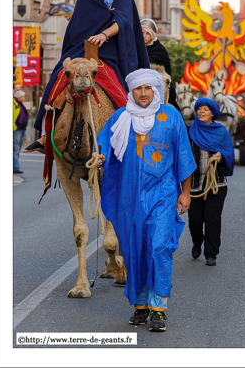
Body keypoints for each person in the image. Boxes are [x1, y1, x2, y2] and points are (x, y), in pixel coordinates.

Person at [93, 68, 196, 332]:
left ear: (156, 90)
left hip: (163, 194)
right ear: (132, 91)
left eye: (148, 88)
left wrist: (185, 192)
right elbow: (105, 145)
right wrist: (100, 157)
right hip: (130, 197)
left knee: (159, 247)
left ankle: (158, 308)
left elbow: (184, 156)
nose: (143, 93)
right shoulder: (121, 117)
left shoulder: (171, 117)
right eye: (138, 89)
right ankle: (140, 305)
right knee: (134, 250)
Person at [24, 0, 149, 153]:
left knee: (120, 86)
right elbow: (76, 29)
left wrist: (104, 34)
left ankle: (134, 130)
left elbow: (124, 21)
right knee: (57, 77)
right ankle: (45, 134)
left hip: (111, 53)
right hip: (82, 50)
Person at [188, 98, 235, 266]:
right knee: (194, 221)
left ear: (213, 113)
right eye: (199, 109)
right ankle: (196, 242)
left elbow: (230, 153)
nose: (201, 112)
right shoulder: (189, 132)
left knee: (212, 219)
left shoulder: (221, 132)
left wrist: (221, 156)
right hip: (193, 185)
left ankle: (211, 253)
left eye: (205, 109)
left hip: (216, 185)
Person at [141, 18, 180, 112]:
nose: (144, 36)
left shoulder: (160, 51)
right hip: (138, 85)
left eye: (148, 33)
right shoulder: (134, 48)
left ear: (152, 35)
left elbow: (166, 73)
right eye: (142, 33)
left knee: (171, 109)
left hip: (159, 86)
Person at [13, 91, 29, 174]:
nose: (24, 98)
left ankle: (15, 167)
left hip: (22, 129)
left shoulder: (20, 104)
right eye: (22, 97)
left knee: (18, 149)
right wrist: (14, 127)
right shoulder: (14, 103)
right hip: (17, 129)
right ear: (19, 97)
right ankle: (16, 168)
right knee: (15, 149)